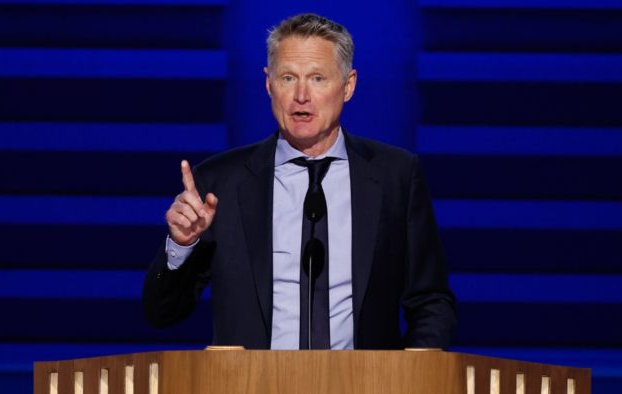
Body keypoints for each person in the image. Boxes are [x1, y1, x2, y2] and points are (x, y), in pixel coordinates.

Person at [143, 13, 456, 350]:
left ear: (348, 86)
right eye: (288, 78)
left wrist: (410, 378)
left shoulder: (396, 175)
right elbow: (162, 313)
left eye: (318, 78)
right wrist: (181, 246)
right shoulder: (220, 183)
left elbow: (431, 301)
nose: (301, 95)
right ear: (268, 84)